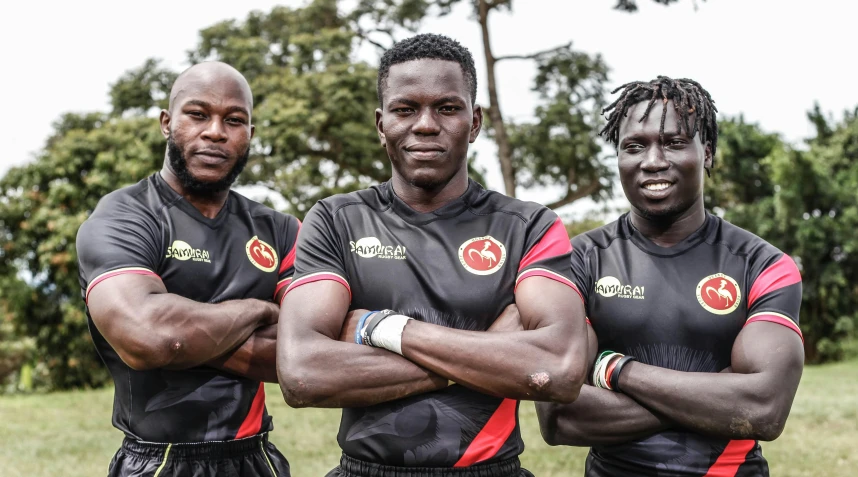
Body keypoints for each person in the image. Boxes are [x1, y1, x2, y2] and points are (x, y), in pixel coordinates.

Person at [277, 33, 589, 477]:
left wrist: (377, 327)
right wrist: (493, 353)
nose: (425, 125)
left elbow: (557, 369)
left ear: (475, 121)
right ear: (381, 123)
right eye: (406, 109)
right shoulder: (335, 220)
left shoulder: (528, 227)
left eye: (447, 108)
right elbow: (304, 373)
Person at [536, 76, 805, 476]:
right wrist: (713, 395)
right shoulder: (578, 262)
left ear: (707, 153)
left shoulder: (763, 265)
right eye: (634, 146)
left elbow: (763, 410)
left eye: (675, 143)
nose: (653, 160)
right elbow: (560, 417)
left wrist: (613, 370)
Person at [76, 62, 297, 477]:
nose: (216, 131)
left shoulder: (281, 231)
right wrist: (261, 311)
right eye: (198, 114)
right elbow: (149, 336)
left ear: (250, 133)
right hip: (157, 460)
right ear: (167, 122)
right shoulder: (125, 216)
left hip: (256, 459)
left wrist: (188, 328)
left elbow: (309, 351)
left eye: (234, 120)